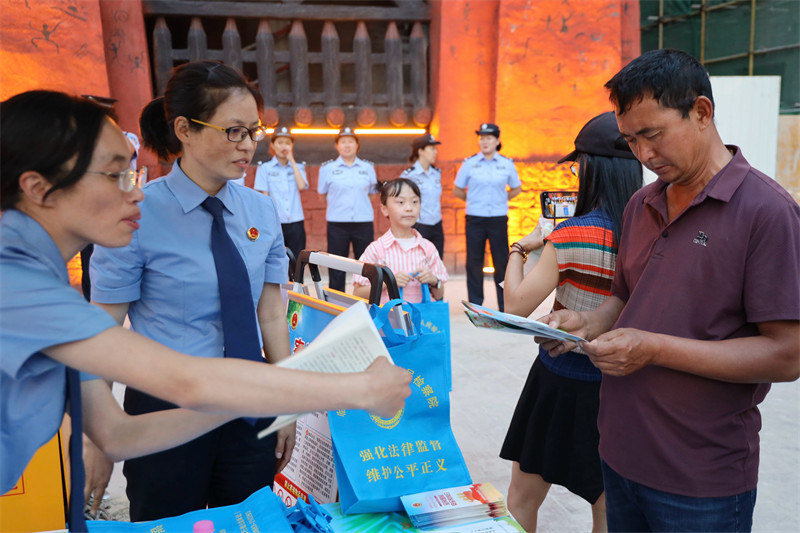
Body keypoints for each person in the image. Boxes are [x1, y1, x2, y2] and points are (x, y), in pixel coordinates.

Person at [0, 89, 411, 531]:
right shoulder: (18, 286)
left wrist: (256, 407)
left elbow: (118, 434)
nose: (136, 193)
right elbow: (188, 382)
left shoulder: (39, 278)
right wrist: (357, 389)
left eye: (132, 173)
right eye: (116, 175)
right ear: (39, 189)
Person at [539, 49, 800, 532]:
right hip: (619, 452)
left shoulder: (767, 212)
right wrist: (583, 322)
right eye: (630, 140)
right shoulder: (641, 204)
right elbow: (625, 299)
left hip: (700, 474)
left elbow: (787, 355)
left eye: (653, 135)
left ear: (701, 112)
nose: (643, 154)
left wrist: (654, 348)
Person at [85, 62, 325, 521]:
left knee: (248, 521)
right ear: (185, 130)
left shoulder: (261, 211)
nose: (247, 145)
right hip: (163, 410)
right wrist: (96, 434)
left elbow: (269, 313)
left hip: (249, 402)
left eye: (253, 131)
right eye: (233, 131)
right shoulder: (135, 215)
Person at [499, 112, 643, 533]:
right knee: (608, 510)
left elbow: (515, 307)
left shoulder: (571, 233)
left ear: (592, 169)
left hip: (558, 381)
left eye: (578, 167)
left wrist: (521, 248)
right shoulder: (652, 232)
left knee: (522, 499)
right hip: (622, 384)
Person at [454, 123, 521, 312]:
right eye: (482, 138)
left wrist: (502, 199)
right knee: (474, 262)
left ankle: (504, 305)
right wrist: (473, 200)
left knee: (501, 262)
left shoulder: (506, 164)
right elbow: (458, 189)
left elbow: (516, 188)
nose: (484, 142)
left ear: (497, 140)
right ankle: (476, 305)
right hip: (475, 218)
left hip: (498, 218)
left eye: (489, 138)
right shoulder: (470, 163)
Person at [353, 178, 447, 304]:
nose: (409, 208)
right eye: (401, 202)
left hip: (423, 316)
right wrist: (388, 282)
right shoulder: (376, 250)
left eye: (415, 202)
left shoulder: (428, 248)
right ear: (384, 209)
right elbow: (358, 293)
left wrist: (434, 281)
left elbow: (439, 295)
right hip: (389, 315)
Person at [317, 126, 378, 292]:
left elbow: (372, 194)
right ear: (337, 146)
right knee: (337, 266)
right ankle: (337, 303)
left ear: (357, 145)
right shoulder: (327, 168)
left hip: (363, 222)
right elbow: (322, 194)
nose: (347, 145)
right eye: (343, 142)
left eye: (351, 141)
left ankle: (366, 300)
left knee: (366, 266)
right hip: (337, 224)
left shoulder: (367, 168)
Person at [254, 125, 308, 258]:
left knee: (297, 260)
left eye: (288, 143)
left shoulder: (298, 167)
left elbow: (302, 186)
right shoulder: (265, 168)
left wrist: (292, 161)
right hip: (276, 222)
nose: (284, 146)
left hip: (296, 221)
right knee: (276, 260)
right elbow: (264, 197)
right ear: (273, 145)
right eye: (280, 143)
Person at [400, 133, 444, 258]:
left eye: (435, 149)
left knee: (437, 263)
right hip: (419, 226)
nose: (435, 152)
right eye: (432, 148)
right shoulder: (409, 175)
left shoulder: (436, 173)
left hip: (437, 225)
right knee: (417, 263)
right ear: (421, 151)